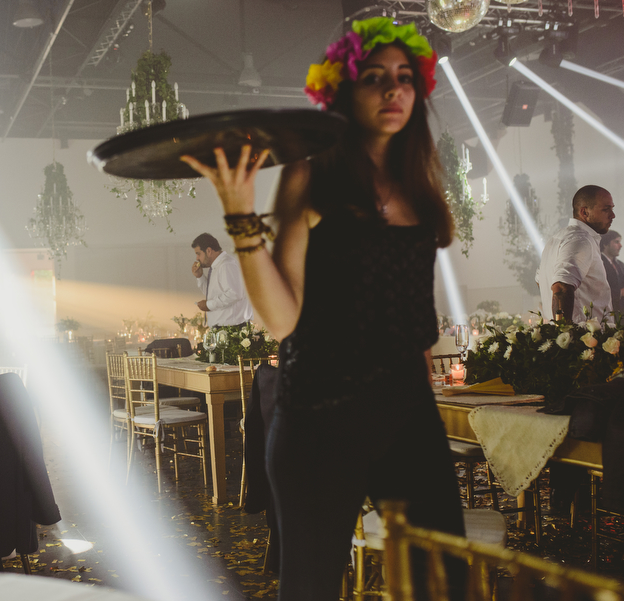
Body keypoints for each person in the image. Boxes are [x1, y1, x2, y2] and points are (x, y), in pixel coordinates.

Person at [182, 18, 465, 600]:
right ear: (344, 92)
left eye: (405, 77)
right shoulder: (313, 175)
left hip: (407, 414)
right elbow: (282, 319)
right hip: (319, 416)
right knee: (311, 588)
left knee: (443, 583)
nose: (393, 89)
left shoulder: (418, 181)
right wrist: (240, 214)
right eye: (375, 77)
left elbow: (412, 315)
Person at [538, 185, 615, 324]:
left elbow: (541, 281)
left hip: (581, 334)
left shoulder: (556, 239)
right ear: (584, 212)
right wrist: (565, 331)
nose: (612, 215)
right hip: (585, 335)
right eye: (606, 209)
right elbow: (561, 288)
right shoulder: (581, 239)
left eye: (612, 209)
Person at [191, 232, 253, 327]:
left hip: (233, 328)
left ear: (209, 251)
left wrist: (208, 305)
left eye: (198, 254)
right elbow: (212, 294)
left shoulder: (226, 265)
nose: (197, 258)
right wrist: (199, 276)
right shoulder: (217, 266)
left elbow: (234, 294)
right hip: (225, 328)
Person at [600, 230, 624, 316]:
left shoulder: (621, 265)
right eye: (616, 242)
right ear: (605, 244)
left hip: (623, 314)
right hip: (606, 314)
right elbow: (597, 290)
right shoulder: (599, 263)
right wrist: (620, 293)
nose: (620, 245)